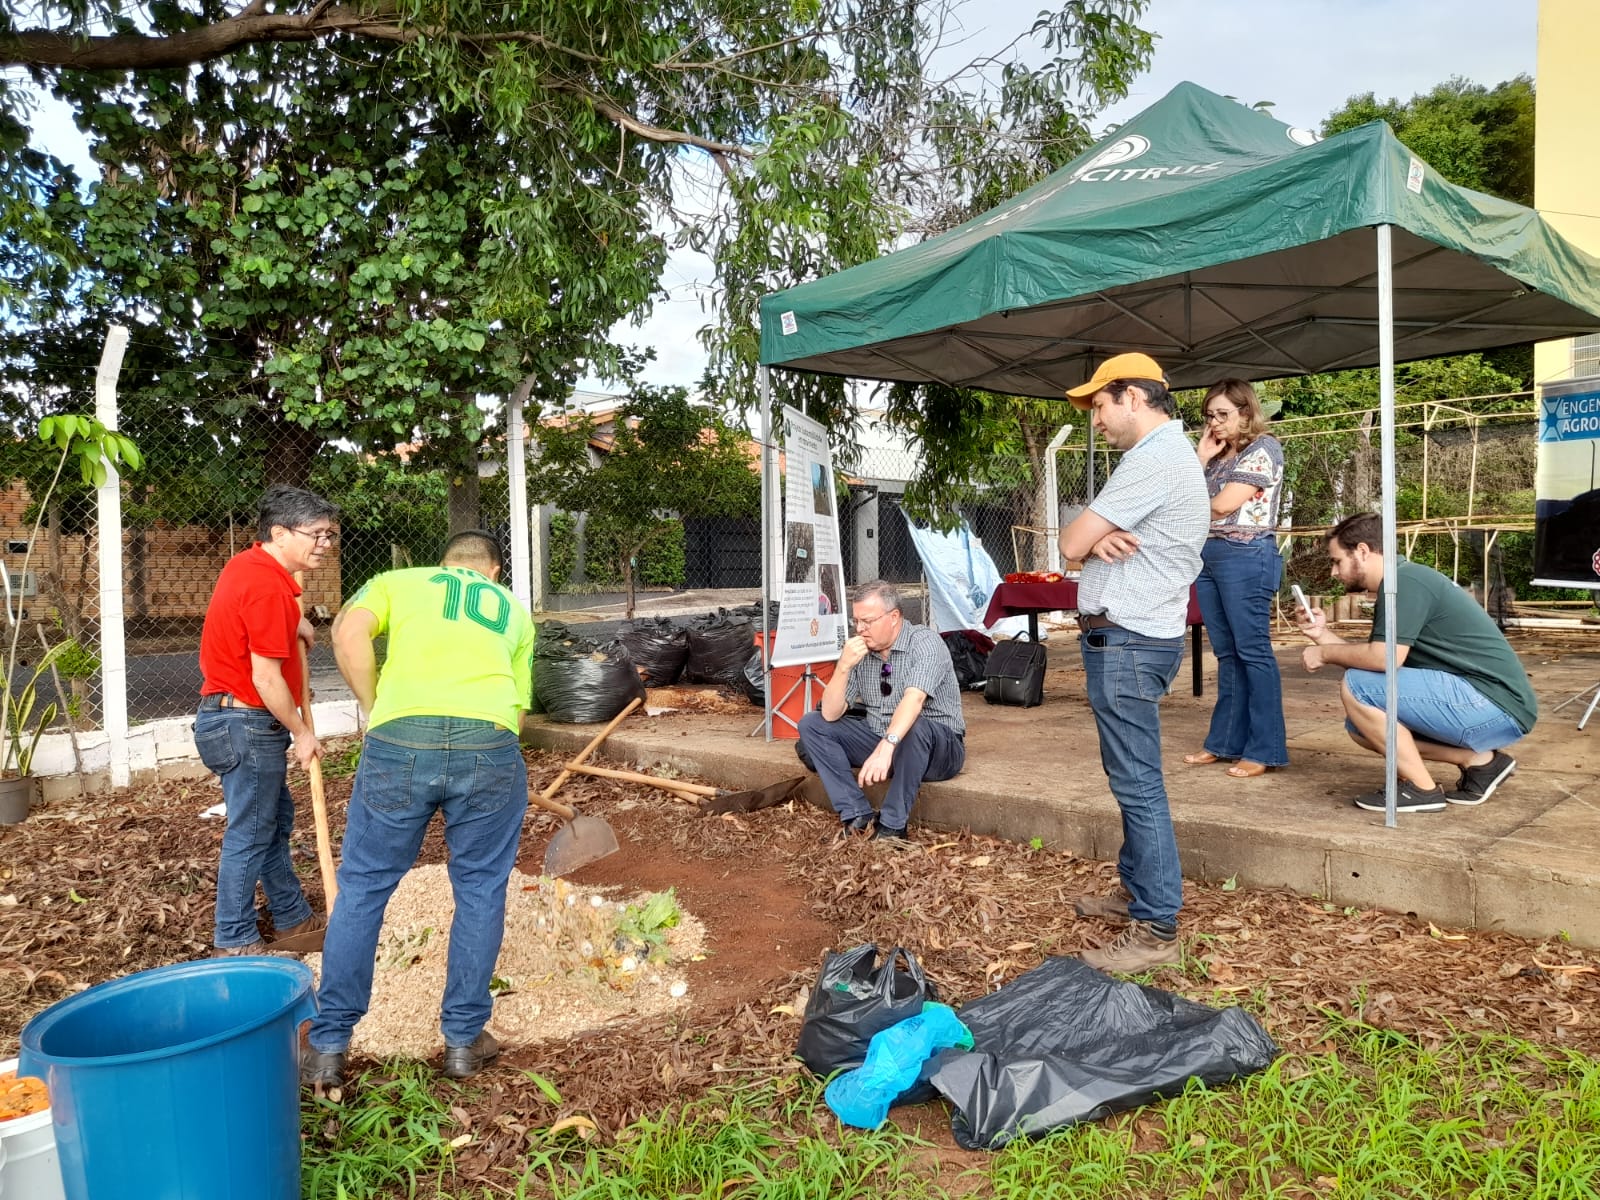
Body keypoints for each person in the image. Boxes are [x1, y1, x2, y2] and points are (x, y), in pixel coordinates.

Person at [302, 530, 537, 1087]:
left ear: (444, 564)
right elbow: (518, 713)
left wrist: (376, 705)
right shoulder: (515, 613)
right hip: (491, 743)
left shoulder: (397, 582)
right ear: (495, 571)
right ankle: (462, 1040)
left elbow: (348, 634)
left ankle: (330, 1044)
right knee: (481, 885)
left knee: (363, 886)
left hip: (399, 741)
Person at [1058, 353, 1209, 973]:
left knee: (1137, 781)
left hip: (1126, 640)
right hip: (1135, 635)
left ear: (1133, 397)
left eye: (1099, 405)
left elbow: (1067, 543)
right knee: (1131, 776)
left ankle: (1156, 927)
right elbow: (1078, 544)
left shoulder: (1152, 460)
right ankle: (1139, 892)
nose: (1095, 419)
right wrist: (1095, 538)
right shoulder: (1166, 459)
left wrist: (1086, 539)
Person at [1297, 513, 1537, 813]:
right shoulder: (1401, 580)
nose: (1334, 572)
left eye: (1336, 561)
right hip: (1489, 703)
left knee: (1357, 686)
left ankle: (1421, 790)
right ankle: (1480, 762)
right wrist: (1321, 635)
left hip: (1494, 704)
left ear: (1362, 551)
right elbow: (1377, 661)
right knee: (1360, 726)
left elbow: (1382, 660)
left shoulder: (1403, 584)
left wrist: (1324, 654)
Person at [194, 485, 338, 957]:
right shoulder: (265, 585)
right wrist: (301, 732)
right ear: (280, 533)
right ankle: (233, 941)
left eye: (329, 535)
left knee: (272, 823)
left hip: (235, 720)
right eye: (315, 534)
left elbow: (252, 623)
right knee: (252, 830)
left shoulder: (253, 569)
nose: (324, 543)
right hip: (245, 722)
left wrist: (294, 619)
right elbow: (265, 677)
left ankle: (293, 918)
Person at [796, 581, 965, 843]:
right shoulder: (861, 652)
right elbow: (830, 714)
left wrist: (886, 747)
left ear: (894, 617)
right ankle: (856, 814)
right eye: (856, 622)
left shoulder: (925, 642)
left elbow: (914, 698)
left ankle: (892, 827)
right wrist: (842, 667)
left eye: (868, 621)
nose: (860, 629)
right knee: (812, 724)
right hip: (882, 739)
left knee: (914, 725)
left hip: (939, 748)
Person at [1184, 380, 1288, 779]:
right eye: (1209, 415)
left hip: (1246, 556)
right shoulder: (1217, 454)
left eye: (1223, 414)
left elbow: (1221, 506)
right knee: (1227, 654)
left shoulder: (1264, 448)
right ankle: (1224, 742)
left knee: (1253, 652)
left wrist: (1199, 495)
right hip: (1210, 555)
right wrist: (1199, 457)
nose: (1215, 423)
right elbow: (1189, 501)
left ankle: (1264, 749)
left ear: (1246, 413)